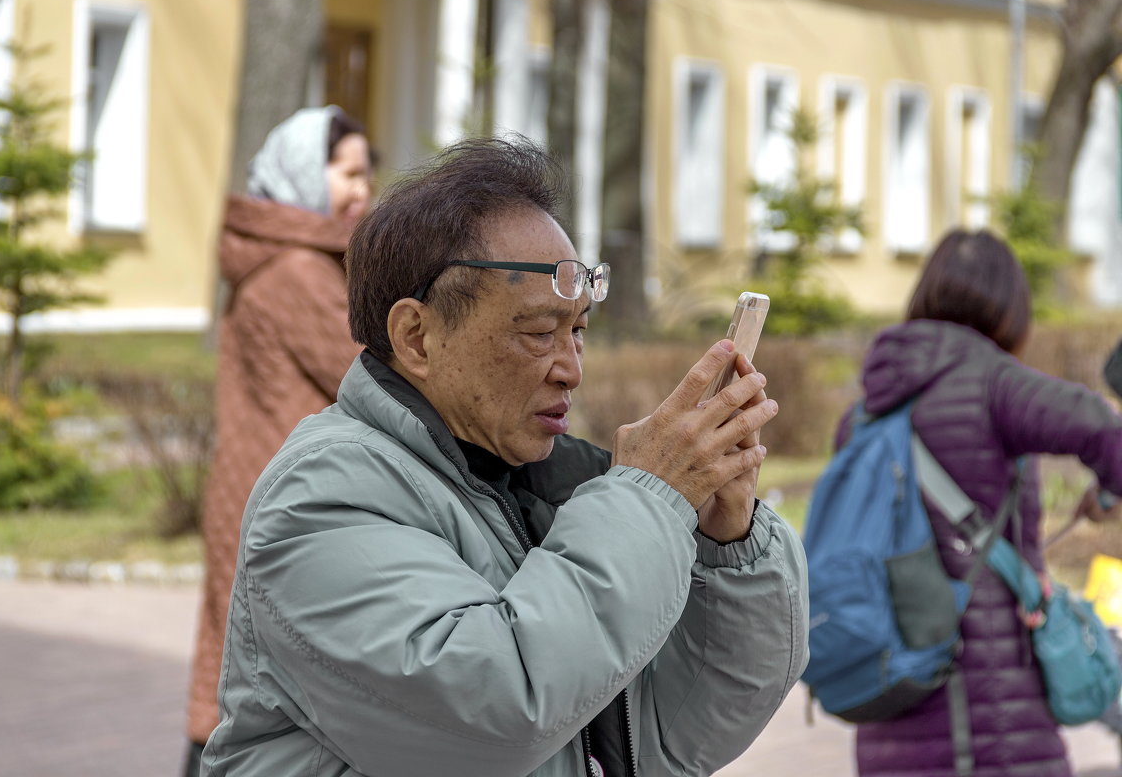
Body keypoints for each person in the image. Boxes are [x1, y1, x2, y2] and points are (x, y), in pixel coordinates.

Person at [199, 137, 808, 776]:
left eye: (579, 332)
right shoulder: (322, 495)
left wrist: (727, 537)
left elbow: (671, 741)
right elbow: (500, 712)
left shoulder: (550, 481)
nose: (572, 370)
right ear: (417, 337)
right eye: (539, 333)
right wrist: (646, 497)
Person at [843, 229, 1122, 777]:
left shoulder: (861, 415)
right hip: (992, 718)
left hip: (884, 702)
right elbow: (1106, 432)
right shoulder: (996, 385)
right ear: (1009, 309)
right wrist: (1107, 496)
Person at [183, 106, 374, 776]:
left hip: (251, 492)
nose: (362, 191)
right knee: (254, 699)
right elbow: (372, 373)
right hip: (279, 507)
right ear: (303, 172)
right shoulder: (297, 270)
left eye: (366, 175)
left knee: (231, 678)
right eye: (348, 173)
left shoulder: (290, 258)